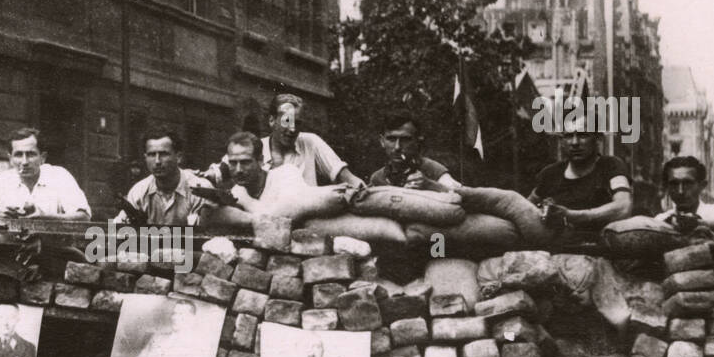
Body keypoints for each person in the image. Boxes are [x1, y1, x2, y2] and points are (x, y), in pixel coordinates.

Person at [204, 93, 366, 194]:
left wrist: (365, 191)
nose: (293, 129)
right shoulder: (254, 147)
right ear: (272, 120)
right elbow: (221, 171)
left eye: (298, 122)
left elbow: (346, 177)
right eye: (287, 121)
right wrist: (202, 177)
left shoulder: (310, 142)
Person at [0, 128, 90, 219]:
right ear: (10, 159)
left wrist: (45, 216)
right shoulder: (1, 181)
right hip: (10, 252)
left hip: (51, 252)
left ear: (42, 157)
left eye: (31, 154)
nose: (24, 162)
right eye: (18, 155)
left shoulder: (59, 176)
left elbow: (83, 217)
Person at [528, 121, 632, 236]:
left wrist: (572, 215)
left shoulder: (610, 166)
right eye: (568, 136)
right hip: (555, 247)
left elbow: (623, 207)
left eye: (583, 135)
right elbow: (527, 208)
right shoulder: (550, 173)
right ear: (561, 141)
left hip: (600, 246)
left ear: (597, 138)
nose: (574, 143)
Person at [115, 128, 210, 226]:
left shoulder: (200, 190)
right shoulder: (138, 192)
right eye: (151, 155)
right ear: (145, 158)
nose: (157, 161)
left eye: (164, 154)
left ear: (178, 157)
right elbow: (120, 227)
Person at [368, 112, 462, 191]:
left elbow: (462, 194)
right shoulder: (378, 178)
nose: (397, 147)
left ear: (417, 141)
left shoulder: (431, 169)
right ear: (382, 141)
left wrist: (430, 185)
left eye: (405, 139)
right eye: (391, 139)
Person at [654, 155, 714, 238]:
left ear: (702, 186)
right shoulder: (660, 219)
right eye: (674, 184)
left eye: (687, 183)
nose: (680, 191)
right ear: (667, 187)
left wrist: (695, 223)